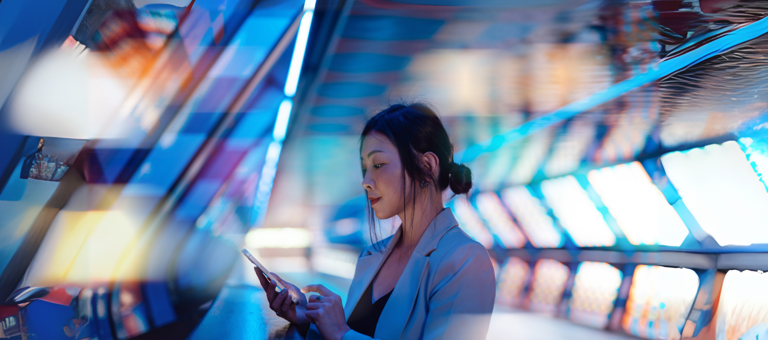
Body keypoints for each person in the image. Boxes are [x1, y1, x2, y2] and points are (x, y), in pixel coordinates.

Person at [255, 103, 496, 340]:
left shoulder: (465, 260)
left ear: (427, 166)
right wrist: (309, 320)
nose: (366, 181)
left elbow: (346, 335)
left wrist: (340, 333)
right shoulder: (371, 256)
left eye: (378, 164)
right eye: (365, 168)